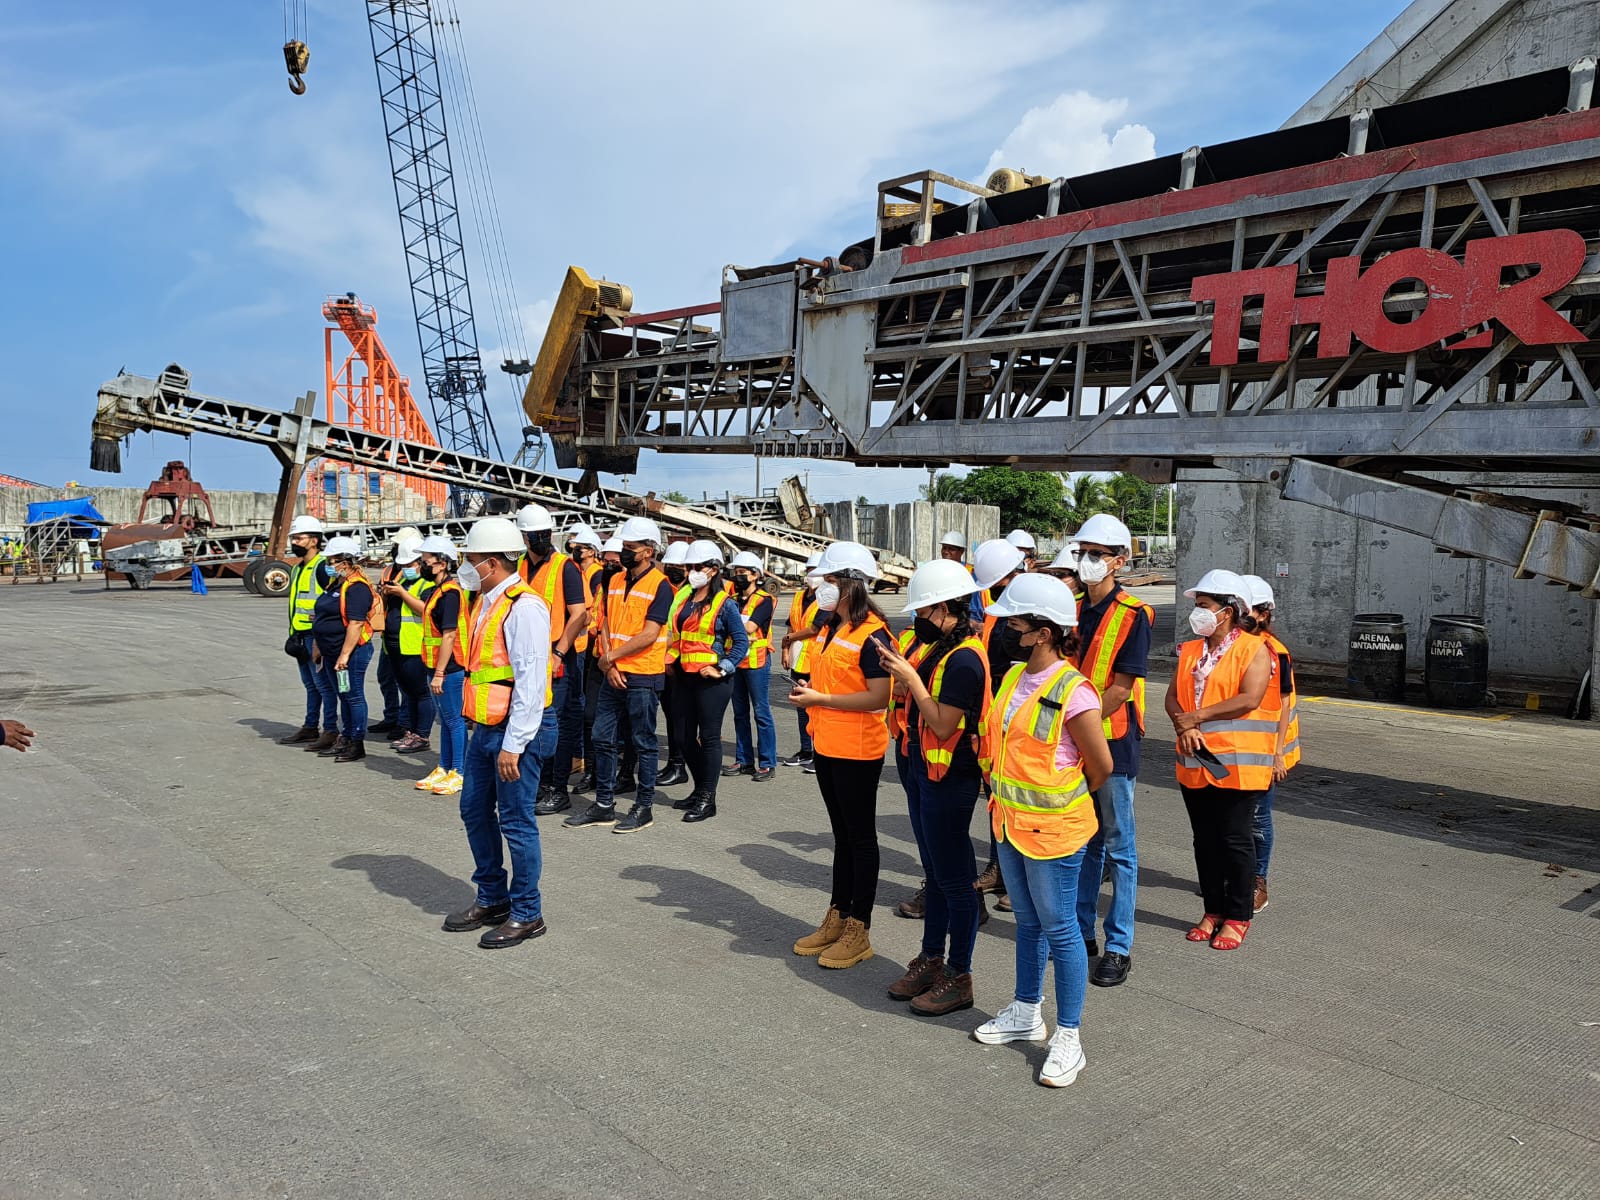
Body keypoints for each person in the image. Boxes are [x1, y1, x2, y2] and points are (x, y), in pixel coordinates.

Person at [971, 573, 1112, 1088]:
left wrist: (1057, 803)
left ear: (1045, 632)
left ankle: (1069, 1037)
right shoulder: (1011, 677)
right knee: (1028, 923)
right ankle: (1026, 1011)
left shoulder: (1074, 692)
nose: (1008, 628)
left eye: (1017, 622)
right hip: (1008, 824)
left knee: (1062, 930)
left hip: (1054, 833)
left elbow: (1100, 767)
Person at [879, 559, 990, 1015]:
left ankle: (958, 975)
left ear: (945, 609)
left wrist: (908, 678)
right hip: (927, 772)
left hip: (952, 778)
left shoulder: (964, 658)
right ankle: (931, 959)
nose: (915, 620)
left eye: (922, 612)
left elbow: (944, 725)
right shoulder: (941, 649)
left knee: (955, 882)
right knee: (938, 874)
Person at [442, 516, 552, 949]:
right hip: (484, 726)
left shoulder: (524, 606)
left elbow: (529, 678)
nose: (465, 566)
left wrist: (514, 744)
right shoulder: (484, 600)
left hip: (514, 732)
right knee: (473, 811)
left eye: (470, 559)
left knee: (517, 823)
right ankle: (492, 897)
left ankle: (528, 913)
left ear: (490, 562)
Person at [789, 542, 893, 970]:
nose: (822, 589)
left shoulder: (874, 634)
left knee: (860, 838)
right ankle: (838, 914)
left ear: (851, 584)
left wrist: (820, 698)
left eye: (830, 581)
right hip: (828, 745)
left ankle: (859, 928)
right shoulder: (830, 626)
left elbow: (878, 696)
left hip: (858, 749)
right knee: (842, 837)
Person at [1067, 514, 1154, 988]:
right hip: (1078, 740)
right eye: (1083, 553)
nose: (1087, 561)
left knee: (1120, 847)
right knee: (1085, 843)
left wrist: (1077, 730)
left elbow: (1121, 688)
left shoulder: (1133, 615)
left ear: (1120, 561)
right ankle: (1081, 934)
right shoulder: (1072, 606)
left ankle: (1118, 946)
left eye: (1097, 555)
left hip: (1113, 742)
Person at [1167, 569, 1274, 952]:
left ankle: (1238, 915)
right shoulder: (1191, 650)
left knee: (1235, 840)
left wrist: (1195, 719)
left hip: (1237, 763)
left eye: (1204, 606)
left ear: (1227, 611)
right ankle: (1212, 910)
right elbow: (1173, 698)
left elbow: (1250, 698)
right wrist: (1184, 727)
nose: (1198, 613)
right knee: (1205, 841)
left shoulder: (1253, 649)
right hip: (1195, 760)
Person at [564, 517, 674, 833]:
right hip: (615, 672)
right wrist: (610, 664)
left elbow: (650, 633)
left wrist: (610, 657)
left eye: (631, 547)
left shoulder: (661, 586)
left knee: (643, 742)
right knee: (601, 735)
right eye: (624, 546)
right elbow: (608, 622)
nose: (625, 552)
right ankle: (604, 805)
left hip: (642, 674)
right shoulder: (614, 581)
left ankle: (644, 807)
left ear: (649, 551)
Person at [664, 541, 748, 822]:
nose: (691, 572)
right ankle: (700, 788)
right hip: (683, 676)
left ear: (713, 570)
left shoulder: (725, 604)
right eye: (689, 567)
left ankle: (707, 798)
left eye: (697, 567)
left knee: (708, 737)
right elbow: (679, 637)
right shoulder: (686, 598)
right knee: (682, 737)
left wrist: (721, 668)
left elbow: (741, 643)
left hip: (711, 681)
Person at [516, 504, 589, 817]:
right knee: (532, 725)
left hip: (558, 658)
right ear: (524, 537)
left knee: (555, 727)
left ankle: (556, 789)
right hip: (526, 658)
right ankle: (537, 785)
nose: (542, 538)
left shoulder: (565, 567)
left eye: (545, 533)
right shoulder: (518, 564)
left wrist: (559, 652)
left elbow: (579, 614)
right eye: (536, 535)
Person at [971, 537, 1029, 909]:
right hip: (997, 715)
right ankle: (999, 868)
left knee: (1023, 800)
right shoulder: (997, 610)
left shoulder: (1029, 608)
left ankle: (1021, 879)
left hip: (1026, 716)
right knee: (998, 798)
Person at [1241, 574, 1300, 914]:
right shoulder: (1232, 645)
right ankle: (1236, 875)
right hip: (1237, 747)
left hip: (1266, 751)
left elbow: (1283, 704)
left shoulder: (1274, 652)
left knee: (1258, 818)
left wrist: (1277, 754)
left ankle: (1257, 881)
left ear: (1263, 613)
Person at [399, 535, 466, 795]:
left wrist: (439, 672)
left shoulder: (450, 594)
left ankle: (458, 771)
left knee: (454, 719)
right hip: (435, 665)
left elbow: (449, 635)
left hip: (448, 668)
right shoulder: (436, 591)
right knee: (446, 719)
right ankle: (444, 766)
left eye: (425, 561)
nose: (422, 565)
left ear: (441, 563)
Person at [311, 536, 376, 763]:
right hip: (332, 652)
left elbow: (356, 623)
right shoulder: (336, 584)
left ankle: (356, 742)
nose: (328, 566)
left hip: (350, 653)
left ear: (345, 562)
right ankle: (346, 737)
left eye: (331, 561)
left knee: (353, 696)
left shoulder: (357, 587)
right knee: (344, 695)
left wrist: (345, 655)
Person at [278, 515, 339, 751]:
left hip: (317, 637)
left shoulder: (323, 566)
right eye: (294, 537)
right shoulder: (297, 568)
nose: (295, 541)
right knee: (310, 685)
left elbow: (333, 600)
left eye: (299, 538)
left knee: (324, 685)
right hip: (300, 635)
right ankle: (310, 726)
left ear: (314, 540)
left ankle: (331, 729)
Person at [722, 551, 778, 782]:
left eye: (742, 573)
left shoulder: (764, 600)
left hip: (757, 662)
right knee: (740, 713)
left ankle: (767, 762)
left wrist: (729, 624)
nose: (738, 576)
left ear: (755, 575)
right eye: (736, 572)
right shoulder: (732, 599)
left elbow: (749, 627)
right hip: (735, 661)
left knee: (762, 712)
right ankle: (744, 760)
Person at [380, 537, 435, 756]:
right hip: (394, 645)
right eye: (403, 566)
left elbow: (426, 610)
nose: (406, 569)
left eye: (410, 565)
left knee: (421, 693)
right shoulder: (403, 582)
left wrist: (402, 594)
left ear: (421, 562)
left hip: (414, 647)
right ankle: (411, 732)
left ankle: (422, 735)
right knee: (409, 692)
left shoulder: (428, 585)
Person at [565, 523, 605, 788]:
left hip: (585, 646)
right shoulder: (579, 570)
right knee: (573, 703)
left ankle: (580, 755)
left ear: (591, 550)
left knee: (578, 703)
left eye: (577, 545)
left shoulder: (596, 574)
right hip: (579, 644)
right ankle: (578, 755)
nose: (572, 548)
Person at [371, 526, 421, 737]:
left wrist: (399, 592)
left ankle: (404, 722)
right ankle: (391, 717)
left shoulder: (416, 575)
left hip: (408, 638)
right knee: (385, 677)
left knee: (407, 685)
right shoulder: (389, 570)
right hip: (389, 635)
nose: (395, 549)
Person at [778, 551, 824, 769]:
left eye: (815, 571)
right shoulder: (799, 596)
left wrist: (789, 639)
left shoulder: (826, 599)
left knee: (816, 708)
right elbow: (791, 623)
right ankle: (806, 750)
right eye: (808, 571)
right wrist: (786, 650)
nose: (811, 575)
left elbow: (814, 629)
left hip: (817, 660)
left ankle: (819, 753)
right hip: (798, 659)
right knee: (800, 706)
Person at [656, 540, 694, 789]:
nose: (673, 568)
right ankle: (674, 762)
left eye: (678, 565)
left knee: (682, 718)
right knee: (671, 715)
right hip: (667, 662)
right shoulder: (668, 588)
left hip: (684, 664)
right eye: (669, 564)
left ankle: (680, 765)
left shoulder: (692, 592)